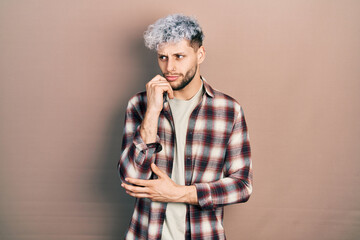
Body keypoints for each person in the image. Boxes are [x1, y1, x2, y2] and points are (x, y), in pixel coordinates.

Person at [118, 14, 252, 240]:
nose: (169, 67)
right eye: (163, 57)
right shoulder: (139, 105)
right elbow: (130, 177)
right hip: (147, 234)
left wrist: (180, 194)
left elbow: (242, 185)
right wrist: (152, 113)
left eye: (179, 56)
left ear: (200, 55)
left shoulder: (229, 110)